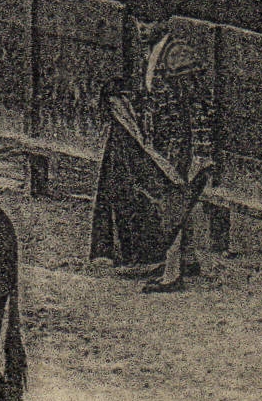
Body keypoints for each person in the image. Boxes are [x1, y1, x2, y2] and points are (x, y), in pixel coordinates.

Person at [90, 28, 214, 293]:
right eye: (138, 22)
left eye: (149, 22)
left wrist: (193, 152)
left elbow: (193, 108)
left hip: (180, 140)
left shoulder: (176, 53)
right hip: (169, 139)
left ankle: (172, 273)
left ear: (165, 22)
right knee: (176, 198)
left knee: (171, 198)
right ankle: (186, 260)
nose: (142, 28)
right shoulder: (154, 52)